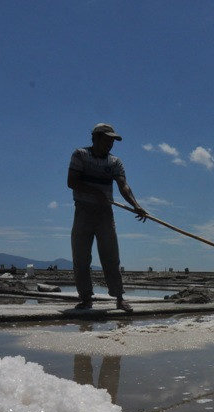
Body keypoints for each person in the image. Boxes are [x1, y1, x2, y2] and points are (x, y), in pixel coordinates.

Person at [67, 122, 148, 312]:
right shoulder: (80, 155)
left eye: (112, 141)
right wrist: (95, 192)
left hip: (105, 214)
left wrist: (136, 206)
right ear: (95, 138)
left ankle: (119, 298)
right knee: (81, 258)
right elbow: (72, 182)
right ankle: (86, 298)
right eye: (106, 140)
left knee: (111, 257)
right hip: (83, 212)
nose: (109, 144)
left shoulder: (114, 162)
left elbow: (123, 186)